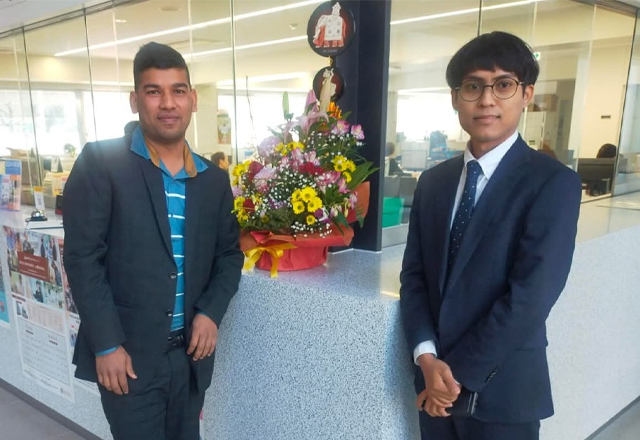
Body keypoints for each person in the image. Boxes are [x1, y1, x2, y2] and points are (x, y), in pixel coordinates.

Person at [400, 31, 581, 440]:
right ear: (455, 98)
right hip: (431, 386)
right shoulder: (433, 182)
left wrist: (453, 377)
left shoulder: (552, 183)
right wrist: (426, 357)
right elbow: (414, 278)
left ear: (526, 94)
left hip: (503, 391)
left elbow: (531, 296)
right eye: (473, 86)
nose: (486, 100)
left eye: (503, 85)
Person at [63, 42, 243, 440]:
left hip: (189, 357)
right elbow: (82, 259)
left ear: (192, 99)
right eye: (153, 91)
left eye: (177, 91)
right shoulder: (101, 163)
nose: (168, 103)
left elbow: (229, 256)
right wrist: (106, 344)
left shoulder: (212, 180)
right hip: (128, 358)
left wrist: (211, 312)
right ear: (134, 100)